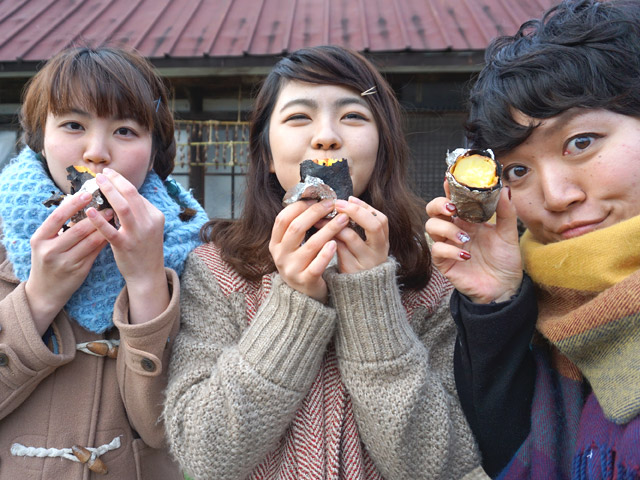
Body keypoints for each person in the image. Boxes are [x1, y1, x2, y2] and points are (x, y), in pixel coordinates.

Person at [163, 45, 482, 480]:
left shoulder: (434, 273)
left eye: (353, 116)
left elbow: (437, 465)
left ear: (383, 147)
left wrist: (371, 299)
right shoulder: (216, 271)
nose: (327, 136)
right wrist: (293, 301)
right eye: (298, 117)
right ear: (268, 154)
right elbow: (205, 455)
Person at [425, 0, 640, 478]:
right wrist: (496, 307)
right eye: (517, 170)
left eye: (581, 142)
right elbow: (501, 455)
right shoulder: (541, 307)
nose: (556, 196)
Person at [0, 46, 208, 479]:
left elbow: (165, 430)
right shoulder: (5, 234)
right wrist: (39, 297)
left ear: (155, 152)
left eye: (126, 131)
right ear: (40, 137)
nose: (96, 152)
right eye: (73, 124)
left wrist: (148, 280)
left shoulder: (196, 252)